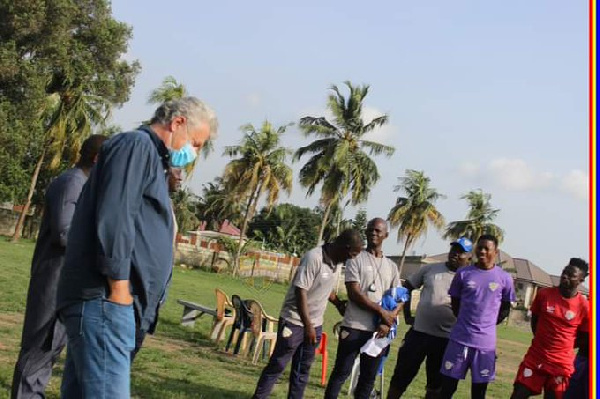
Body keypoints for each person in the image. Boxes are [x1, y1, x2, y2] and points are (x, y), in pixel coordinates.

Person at [56, 97, 217, 398]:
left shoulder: (154, 161)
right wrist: (119, 288)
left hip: (110, 302)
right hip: (104, 298)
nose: (193, 153)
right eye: (195, 143)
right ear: (177, 122)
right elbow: (116, 216)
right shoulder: (136, 146)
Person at [11, 135, 107, 399]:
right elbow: (64, 233)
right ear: (98, 159)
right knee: (38, 351)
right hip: (53, 281)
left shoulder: (84, 186)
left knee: (51, 350)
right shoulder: (72, 183)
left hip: (68, 284)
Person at [252, 229, 364, 399]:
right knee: (278, 364)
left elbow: (325, 288)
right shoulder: (314, 258)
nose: (353, 258)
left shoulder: (337, 262)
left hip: (314, 324)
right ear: (345, 247)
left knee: (302, 370)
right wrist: (308, 326)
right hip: (294, 321)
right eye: (353, 254)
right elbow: (301, 291)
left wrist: (338, 303)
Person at [387, 237, 473, 399]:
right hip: (419, 333)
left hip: (446, 340)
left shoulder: (470, 278)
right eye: (453, 249)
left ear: (469, 257)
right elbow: (407, 287)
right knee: (401, 376)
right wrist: (407, 316)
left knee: (436, 385)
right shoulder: (430, 269)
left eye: (460, 252)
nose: (455, 254)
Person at [325, 218, 401, 399]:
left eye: (377, 230)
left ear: (386, 235)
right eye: (370, 230)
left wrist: (388, 320)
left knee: (367, 378)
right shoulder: (355, 257)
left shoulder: (391, 266)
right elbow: (354, 293)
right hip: (354, 326)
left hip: (378, 332)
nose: (373, 233)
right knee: (341, 373)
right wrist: (381, 312)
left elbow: (400, 297)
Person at [438, 234, 516, 399]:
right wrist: (466, 322)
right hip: (459, 340)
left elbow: (505, 308)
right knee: (447, 389)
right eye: (479, 247)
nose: (481, 251)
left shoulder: (504, 278)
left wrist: (486, 324)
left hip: (484, 346)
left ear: (495, 252)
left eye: (486, 248)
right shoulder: (463, 273)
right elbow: (456, 302)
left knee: (478, 393)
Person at [510, 258, 589, 399]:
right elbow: (535, 322)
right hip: (535, 358)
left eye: (571, 275)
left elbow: (584, 338)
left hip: (560, 365)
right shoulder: (544, 295)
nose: (565, 277)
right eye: (565, 272)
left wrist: (563, 345)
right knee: (518, 394)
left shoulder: (584, 307)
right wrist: (544, 341)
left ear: (581, 280)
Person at [131, 167, 183, 361]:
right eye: (177, 172)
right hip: (135, 292)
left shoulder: (167, 204)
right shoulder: (145, 201)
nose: (180, 178)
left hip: (152, 296)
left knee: (132, 350)